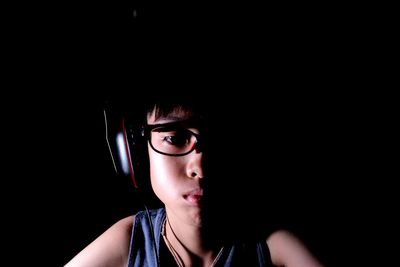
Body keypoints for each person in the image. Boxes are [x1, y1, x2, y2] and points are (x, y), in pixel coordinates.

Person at [64, 94, 326, 267]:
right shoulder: (130, 240)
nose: (199, 167)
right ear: (136, 154)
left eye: (217, 139)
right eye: (175, 138)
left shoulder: (271, 245)